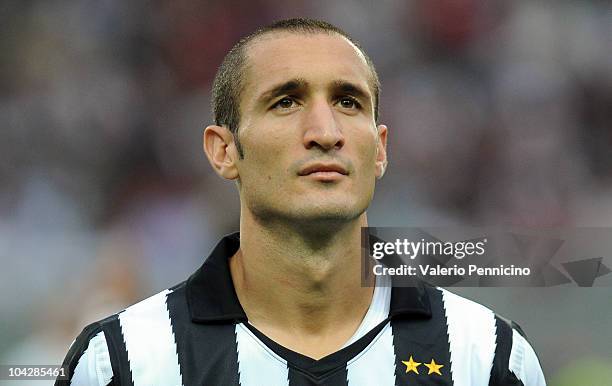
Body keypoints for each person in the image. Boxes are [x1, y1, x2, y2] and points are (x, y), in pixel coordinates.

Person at [56, 18, 546, 385]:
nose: (325, 133)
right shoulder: (123, 361)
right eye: (285, 102)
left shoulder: (488, 357)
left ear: (379, 149)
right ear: (223, 150)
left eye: (348, 102)